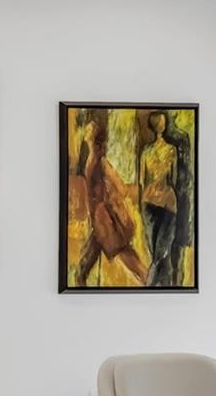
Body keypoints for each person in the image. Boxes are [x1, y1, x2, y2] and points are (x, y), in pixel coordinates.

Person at [71, 111, 146, 286]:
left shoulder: (101, 161)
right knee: (84, 268)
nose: (87, 130)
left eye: (91, 128)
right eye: (88, 127)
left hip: (107, 221)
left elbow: (120, 187)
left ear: (95, 134)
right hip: (100, 221)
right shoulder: (90, 158)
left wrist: (110, 203)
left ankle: (149, 282)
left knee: (126, 257)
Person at [139, 110, 181, 286]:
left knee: (156, 248)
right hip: (167, 202)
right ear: (163, 126)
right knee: (162, 250)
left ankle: (153, 283)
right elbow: (174, 179)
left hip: (148, 202)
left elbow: (142, 180)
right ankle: (157, 284)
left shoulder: (145, 152)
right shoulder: (171, 151)